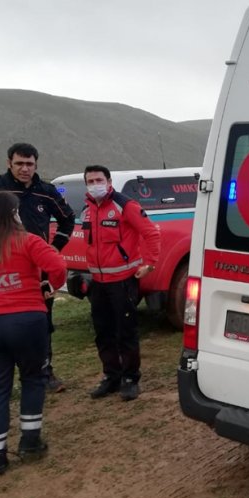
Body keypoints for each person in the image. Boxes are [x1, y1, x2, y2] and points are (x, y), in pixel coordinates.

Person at [0, 191, 66, 476]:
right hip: (26, 319)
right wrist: (51, 286)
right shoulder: (28, 241)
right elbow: (57, 265)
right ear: (13, 214)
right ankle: (30, 442)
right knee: (33, 378)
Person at [0, 143, 75, 393]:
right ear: (9, 162)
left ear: (36, 165)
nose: (24, 168)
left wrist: (54, 247)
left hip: (36, 270)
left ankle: (44, 371)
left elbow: (67, 218)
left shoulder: (47, 191)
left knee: (41, 322)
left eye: (29, 164)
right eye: (19, 163)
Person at [83, 165, 161, 401]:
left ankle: (130, 378)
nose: (95, 184)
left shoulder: (125, 205)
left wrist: (150, 263)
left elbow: (151, 233)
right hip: (98, 282)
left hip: (123, 282)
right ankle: (111, 376)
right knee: (103, 332)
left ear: (108, 181)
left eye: (99, 179)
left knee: (125, 331)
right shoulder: (87, 210)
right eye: (90, 180)